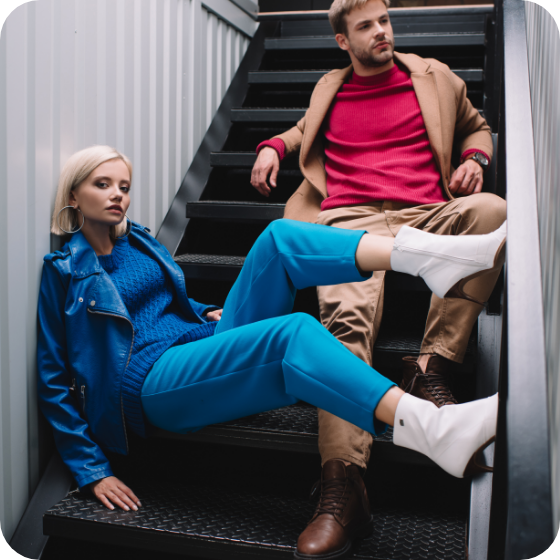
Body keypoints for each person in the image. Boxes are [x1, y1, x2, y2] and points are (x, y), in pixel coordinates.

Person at [38, 145, 504, 557]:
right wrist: (91, 469)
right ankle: (430, 427)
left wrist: (207, 312)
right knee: (294, 331)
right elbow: (55, 378)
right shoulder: (64, 271)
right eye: (103, 185)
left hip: (199, 344)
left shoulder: (138, 240)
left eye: (124, 185)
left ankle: (426, 259)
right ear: (74, 196)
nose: (119, 194)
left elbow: (163, 302)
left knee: (279, 238)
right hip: (150, 382)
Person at [250, 0, 507, 555]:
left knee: (492, 213)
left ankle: (430, 364)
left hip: (426, 211)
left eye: (384, 20)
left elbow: (477, 127)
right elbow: (300, 131)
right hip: (351, 222)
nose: (381, 32)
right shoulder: (329, 87)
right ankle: (342, 484)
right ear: (343, 41)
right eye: (366, 26)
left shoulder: (434, 76)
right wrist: (272, 147)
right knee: (343, 322)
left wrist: (475, 161)